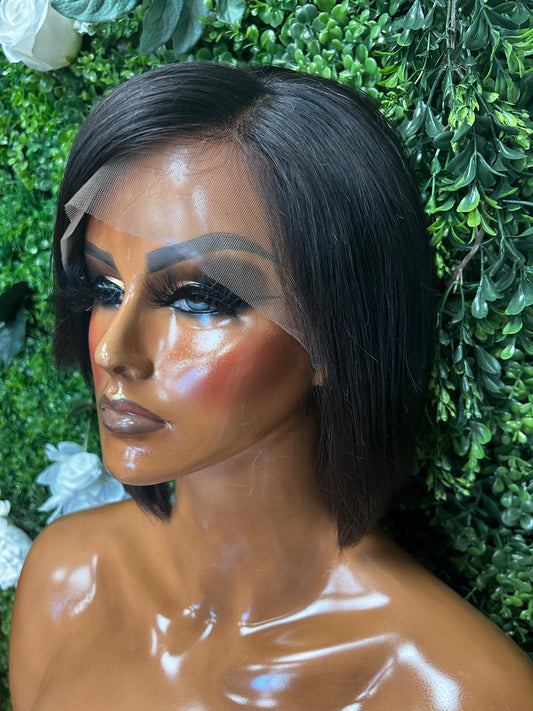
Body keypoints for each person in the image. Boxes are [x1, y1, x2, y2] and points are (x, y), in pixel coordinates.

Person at [9, 63, 533, 710]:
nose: (114, 351)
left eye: (199, 299)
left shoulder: (452, 691)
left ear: (336, 330)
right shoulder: (67, 579)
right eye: (104, 288)